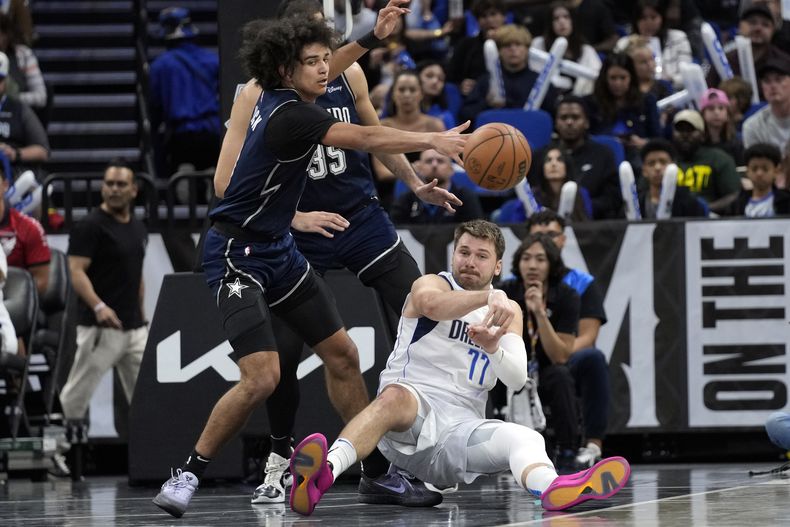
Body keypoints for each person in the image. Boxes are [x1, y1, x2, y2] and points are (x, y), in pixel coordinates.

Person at [152, 11, 471, 518]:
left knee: (344, 354)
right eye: (314, 61)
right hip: (238, 252)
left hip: (280, 248)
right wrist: (433, 138)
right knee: (263, 377)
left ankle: (378, 472)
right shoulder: (288, 113)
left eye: (327, 59)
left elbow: (338, 63)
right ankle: (190, 470)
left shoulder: (303, 85)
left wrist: (373, 35)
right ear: (285, 68)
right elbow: (365, 139)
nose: (327, 69)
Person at [288, 220, 630, 516]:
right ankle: (322, 475)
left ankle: (552, 488)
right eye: (463, 252)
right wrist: (487, 298)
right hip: (410, 415)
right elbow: (431, 305)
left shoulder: (508, 311)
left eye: (481, 256)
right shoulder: (432, 284)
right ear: (453, 254)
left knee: (524, 437)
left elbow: (514, 378)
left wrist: (493, 346)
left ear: (497, 266)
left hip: (458, 432)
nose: (469, 261)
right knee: (393, 398)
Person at [58, 159, 148, 430]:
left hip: (133, 330)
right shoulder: (90, 225)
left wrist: (142, 317)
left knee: (148, 398)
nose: (114, 189)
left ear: (134, 190)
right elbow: (76, 271)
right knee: (75, 396)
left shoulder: (137, 227)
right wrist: (99, 307)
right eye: (109, 183)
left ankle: (152, 460)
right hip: (99, 329)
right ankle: (61, 455)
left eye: (121, 184)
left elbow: (137, 276)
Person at [525, 210, 610, 469]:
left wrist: (557, 350)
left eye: (551, 235)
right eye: (538, 236)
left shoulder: (579, 283)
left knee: (593, 358)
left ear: (563, 240)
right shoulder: (514, 282)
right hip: (521, 362)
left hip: (562, 357)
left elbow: (588, 336)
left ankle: (592, 444)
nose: (545, 241)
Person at [497, 233, 581, 470]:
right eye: (526, 258)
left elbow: (561, 355)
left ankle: (567, 451)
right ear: (518, 263)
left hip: (544, 370)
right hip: (510, 367)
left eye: (540, 259)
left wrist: (540, 314)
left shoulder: (566, 296)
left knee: (561, 376)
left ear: (551, 264)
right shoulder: (504, 293)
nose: (532, 265)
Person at [149, 6, 221, 178]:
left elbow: (155, 105)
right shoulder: (213, 60)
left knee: (182, 183)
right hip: (213, 133)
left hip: (181, 137)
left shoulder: (160, 66)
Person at [533, 95, 621, 219]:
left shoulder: (603, 154)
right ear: (556, 123)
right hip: (545, 221)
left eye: (575, 117)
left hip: (592, 224)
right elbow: (534, 192)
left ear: (586, 122)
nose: (569, 122)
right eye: (563, 118)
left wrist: (581, 207)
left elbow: (612, 199)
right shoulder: (540, 156)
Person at [460, 24, 560, 123]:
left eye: (518, 44)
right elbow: (466, 115)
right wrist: (487, 104)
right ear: (499, 51)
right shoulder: (486, 81)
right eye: (507, 45)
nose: (513, 49)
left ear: (527, 49)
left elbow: (553, 117)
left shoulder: (540, 81)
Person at [585, 52, 661, 165]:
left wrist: (644, 143)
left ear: (631, 78)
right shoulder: (591, 102)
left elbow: (658, 138)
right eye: (613, 78)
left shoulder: (647, 101)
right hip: (601, 156)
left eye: (623, 78)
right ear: (605, 78)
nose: (618, 83)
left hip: (638, 156)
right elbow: (585, 137)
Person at [706, 3, 790, 101]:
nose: (758, 28)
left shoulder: (784, 62)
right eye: (752, 22)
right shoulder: (723, 61)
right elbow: (709, 95)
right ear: (740, 26)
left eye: (765, 24)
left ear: (773, 30)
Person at [671, 109, 741, 215]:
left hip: (709, 221)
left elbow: (735, 195)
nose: (684, 135)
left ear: (702, 135)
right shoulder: (665, 160)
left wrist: (704, 209)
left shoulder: (718, 158)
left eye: (690, 130)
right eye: (680, 130)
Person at [391, 148, 483, 224]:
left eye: (440, 161)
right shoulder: (406, 199)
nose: (434, 165)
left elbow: (476, 229)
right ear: (419, 169)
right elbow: (398, 231)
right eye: (429, 161)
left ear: (451, 170)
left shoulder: (465, 197)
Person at [613, 0, 692, 88]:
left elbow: (687, 74)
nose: (648, 23)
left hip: (673, 91)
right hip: (636, 94)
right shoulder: (624, 43)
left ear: (662, 18)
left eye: (653, 17)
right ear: (636, 21)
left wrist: (670, 81)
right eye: (643, 18)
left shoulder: (678, 37)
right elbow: (616, 73)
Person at [529, 2, 601, 97]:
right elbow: (533, 74)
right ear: (550, 23)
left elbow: (597, 77)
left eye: (566, 17)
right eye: (556, 18)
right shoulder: (538, 44)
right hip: (546, 98)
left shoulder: (586, 50)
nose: (561, 22)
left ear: (573, 21)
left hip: (579, 101)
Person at [0, 50, 48, 178]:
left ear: (6, 81)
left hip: (14, 172)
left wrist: (15, 153)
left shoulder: (19, 109)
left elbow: (43, 151)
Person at [0, 174, 49, 295]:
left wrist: (13, 302)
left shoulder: (30, 227)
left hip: (15, 303)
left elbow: (41, 280)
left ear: (5, 185)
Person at [446, 0, 506, 97]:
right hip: (475, 97)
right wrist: (461, 85)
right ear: (477, 21)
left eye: (493, 14)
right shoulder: (466, 44)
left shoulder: (515, 42)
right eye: (483, 16)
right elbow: (451, 76)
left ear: (504, 17)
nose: (489, 20)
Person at [639, 139, 709, 218]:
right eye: (651, 163)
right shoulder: (637, 203)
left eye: (663, 162)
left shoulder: (690, 203)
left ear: (674, 166)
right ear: (644, 171)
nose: (657, 168)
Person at [742, 58, 790, 161]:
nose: (773, 86)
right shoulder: (752, 126)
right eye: (767, 81)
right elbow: (757, 168)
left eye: (779, 79)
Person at [729, 142, 790, 217]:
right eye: (754, 169)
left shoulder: (786, 201)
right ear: (747, 172)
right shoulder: (737, 205)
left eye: (765, 169)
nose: (759, 174)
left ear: (776, 171)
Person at [700, 88, 744, 166]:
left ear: (727, 113)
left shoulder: (737, 143)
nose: (716, 112)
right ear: (703, 114)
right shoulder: (698, 144)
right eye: (711, 108)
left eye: (721, 108)